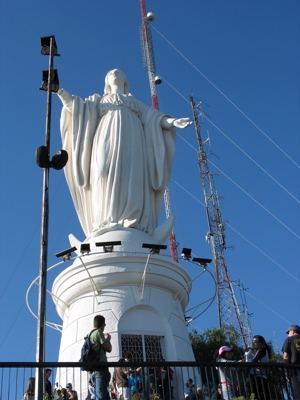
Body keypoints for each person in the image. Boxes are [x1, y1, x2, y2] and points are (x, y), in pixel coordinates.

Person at [57, 69, 191, 242]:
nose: (115, 73)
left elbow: (153, 118)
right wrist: (59, 92)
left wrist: (173, 122)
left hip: (134, 137)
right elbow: (75, 107)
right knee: (101, 171)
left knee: (131, 174)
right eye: (111, 73)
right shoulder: (98, 101)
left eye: (118, 72)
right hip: (105, 134)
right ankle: (105, 221)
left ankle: (132, 220)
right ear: (106, 81)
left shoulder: (133, 102)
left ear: (125, 80)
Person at [89, 314, 112, 400]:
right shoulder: (99, 333)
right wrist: (108, 339)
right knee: (101, 396)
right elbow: (108, 349)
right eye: (104, 325)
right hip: (100, 368)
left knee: (103, 395)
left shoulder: (90, 334)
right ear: (102, 324)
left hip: (93, 370)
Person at [248, 335, 271, 400]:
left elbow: (254, 361)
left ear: (260, 342)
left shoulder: (262, 349)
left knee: (259, 395)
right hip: (260, 376)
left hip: (260, 376)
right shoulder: (260, 350)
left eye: (255, 341)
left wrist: (247, 370)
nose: (253, 343)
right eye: (252, 341)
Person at [282, 324, 300, 400]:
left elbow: (286, 356)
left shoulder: (289, 340)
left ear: (292, 331)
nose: (288, 335)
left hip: (294, 369)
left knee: (297, 391)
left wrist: (286, 371)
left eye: (288, 332)